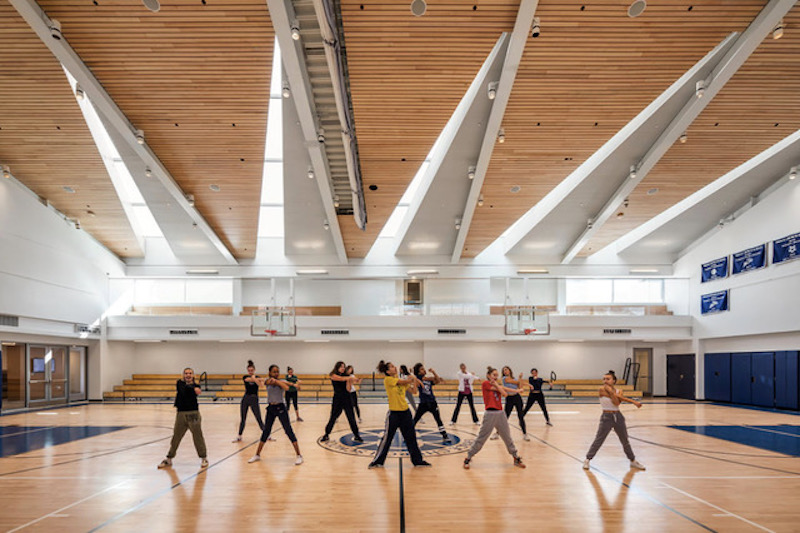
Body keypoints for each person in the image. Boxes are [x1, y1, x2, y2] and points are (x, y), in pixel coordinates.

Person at [369, 360, 431, 469]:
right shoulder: (388, 380)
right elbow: (404, 382)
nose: (395, 367)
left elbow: (413, 391)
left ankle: (418, 461)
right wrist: (412, 378)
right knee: (387, 438)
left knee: (411, 438)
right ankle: (377, 461)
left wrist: (415, 382)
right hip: (394, 414)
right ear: (388, 371)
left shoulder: (401, 381)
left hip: (405, 413)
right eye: (392, 367)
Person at [463, 366, 525, 470]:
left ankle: (515, 457)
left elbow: (504, 391)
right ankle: (468, 458)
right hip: (490, 414)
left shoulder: (496, 385)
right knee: (481, 438)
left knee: (507, 437)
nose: (496, 377)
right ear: (488, 375)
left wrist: (517, 390)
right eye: (494, 375)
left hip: (500, 414)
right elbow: (504, 392)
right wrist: (499, 385)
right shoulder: (485, 384)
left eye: (497, 375)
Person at [583, 370, 645, 471]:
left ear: (614, 381)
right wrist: (633, 401)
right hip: (606, 417)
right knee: (599, 439)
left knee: (625, 440)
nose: (605, 381)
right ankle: (587, 460)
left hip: (618, 416)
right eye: (604, 379)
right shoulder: (601, 389)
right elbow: (617, 398)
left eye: (608, 379)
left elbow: (616, 403)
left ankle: (633, 461)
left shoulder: (619, 391)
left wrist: (613, 394)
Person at [248, 364, 303, 465]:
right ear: (270, 373)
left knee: (288, 431)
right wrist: (277, 381)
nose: (276, 373)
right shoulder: (267, 381)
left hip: (281, 408)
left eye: (277, 371)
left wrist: (278, 381)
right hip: (271, 408)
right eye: (274, 372)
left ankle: (299, 455)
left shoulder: (280, 381)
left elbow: (286, 388)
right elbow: (267, 381)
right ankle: (257, 455)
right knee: (266, 431)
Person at [158, 367, 208, 469]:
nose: (188, 375)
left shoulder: (197, 385)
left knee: (197, 436)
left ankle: (203, 458)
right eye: (186, 373)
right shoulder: (179, 383)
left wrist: (194, 389)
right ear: (183, 375)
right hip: (181, 414)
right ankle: (169, 458)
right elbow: (184, 390)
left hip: (193, 414)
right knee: (176, 437)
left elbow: (193, 391)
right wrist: (193, 389)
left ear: (193, 375)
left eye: (190, 373)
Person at [321, 361, 363, 442]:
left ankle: (356, 435)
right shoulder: (333, 375)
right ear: (337, 367)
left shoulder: (347, 376)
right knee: (333, 417)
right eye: (341, 367)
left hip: (347, 398)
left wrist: (350, 381)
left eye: (344, 367)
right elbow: (339, 378)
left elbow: (348, 389)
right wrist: (351, 378)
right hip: (337, 399)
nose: (343, 368)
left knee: (351, 417)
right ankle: (326, 434)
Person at [412, 363, 451, 443]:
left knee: (438, 419)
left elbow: (437, 380)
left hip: (432, 402)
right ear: (419, 372)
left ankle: (444, 435)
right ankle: (408, 435)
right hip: (423, 403)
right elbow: (414, 378)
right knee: (415, 420)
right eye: (422, 369)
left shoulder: (427, 379)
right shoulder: (418, 378)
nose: (424, 370)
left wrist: (434, 372)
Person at [492, 366, 528, 441]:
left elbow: (520, 386)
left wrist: (520, 379)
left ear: (509, 370)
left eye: (506, 370)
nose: (505, 371)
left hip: (517, 398)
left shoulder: (514, 379)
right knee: (505, 416)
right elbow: (518, 383)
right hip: (509, 398)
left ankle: (525, 434)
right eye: (504, 370)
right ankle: (497, 433)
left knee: (521, 416)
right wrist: (520, 380)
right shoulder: (505, 378)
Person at [232, 360, 265, 442]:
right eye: (249, 370)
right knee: (243, 419)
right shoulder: (245, 377)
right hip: (246, 399)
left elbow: (261, 385)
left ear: (254, 370)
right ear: (247, 370)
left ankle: (266, 435)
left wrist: (256, 379)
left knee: (258, 418)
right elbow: (250, 380)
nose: (250, 372)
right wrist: (256, 379)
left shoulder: (256, 377)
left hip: (254, 399)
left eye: (252, 370)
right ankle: (239, 436)